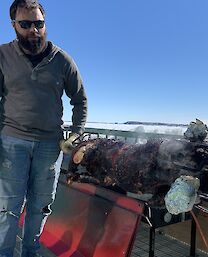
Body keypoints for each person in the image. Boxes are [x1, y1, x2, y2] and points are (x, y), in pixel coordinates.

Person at [0, 0, 87, 256]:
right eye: (25, 24)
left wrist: (76, 132)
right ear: (14, 25)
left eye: (39, 24)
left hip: (50, 146)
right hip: (11, 143)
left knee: (40, 206)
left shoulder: (62, 60)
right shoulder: (3, 56)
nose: (33, 30)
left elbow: (80, 99)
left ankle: (30, 252)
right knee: (8, 207)